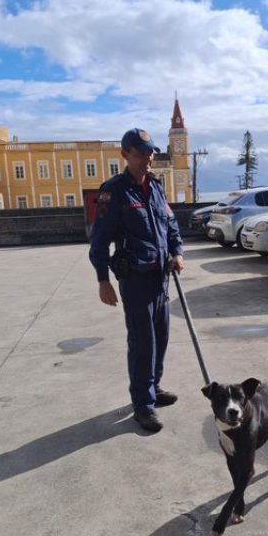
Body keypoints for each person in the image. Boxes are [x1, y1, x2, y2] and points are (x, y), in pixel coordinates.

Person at [88, 128, 185, 432]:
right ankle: (142, 405)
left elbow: (170, 224)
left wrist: (177, 251)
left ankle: (153, 389)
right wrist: (103, 280)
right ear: (125, 154)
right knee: (143, 342)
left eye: (151, 152)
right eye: (141, 152)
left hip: (161, 278)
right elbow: (99, 240)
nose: (148, 158)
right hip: (136, 281)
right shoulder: (113, 192)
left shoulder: (156, 187)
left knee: (161, 337)